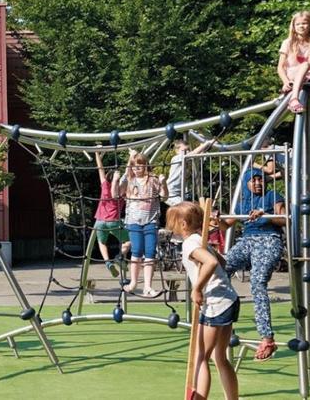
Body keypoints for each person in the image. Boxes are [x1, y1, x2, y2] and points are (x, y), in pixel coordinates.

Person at [166, 202, 239, 400]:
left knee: (202, 357)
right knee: (219, 357)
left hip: (216, 303)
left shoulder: (190, 242)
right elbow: (222, 262)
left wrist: (197, 288)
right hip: (228, 298)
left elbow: (212, 262)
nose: (169, 226)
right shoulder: (201, 239)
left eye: (172, 222)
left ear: (182, 224)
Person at [216, 168, 286, 361]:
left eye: (260, 179)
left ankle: (267, 338)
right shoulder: (242, 204)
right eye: (253, 180)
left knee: (257, 282)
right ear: (246, 183)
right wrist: (216, 219)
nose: (257, 183)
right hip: (247, 241)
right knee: (218, 270)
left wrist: (265, 215)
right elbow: (225, 225)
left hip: (269, 240)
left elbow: (284, 219)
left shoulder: (273, 196)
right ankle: (224, 324)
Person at [116, 151, 167, 296]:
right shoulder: (129, 180)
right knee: (136, 250)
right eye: (134, 166)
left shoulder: (153, 179)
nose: (137, 168)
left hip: (150, 220)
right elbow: (118, 193)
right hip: (133, 221)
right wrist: (129, 158)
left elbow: (164, 196)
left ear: (145, 165)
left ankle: (148, 286)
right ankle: (133, 282)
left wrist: (163, 183)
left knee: (150, 251)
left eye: (140, 165)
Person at [93, 151, 130, 277]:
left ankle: (107, 262)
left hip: (99, 221)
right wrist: (131, 157)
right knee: (128, 241)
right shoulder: (121, 192)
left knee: (102, 243)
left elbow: (100, 169)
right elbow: (127, 173)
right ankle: (120, 257)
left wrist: (97, 154)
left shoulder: (105, 186)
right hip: (114, 221)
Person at [166, 138, 216, 206]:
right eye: (184, 150)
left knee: (197, 207)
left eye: (188, 150)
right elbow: (193, 153)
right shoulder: (176, 158)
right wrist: (206, 143)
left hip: (181, 194)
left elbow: (199, 154)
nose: (187, 152)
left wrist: (208, 145)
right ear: (177, 151)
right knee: (187, 208)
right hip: (171, 194)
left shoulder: (187, 160)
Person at [278, 11, 310, 113]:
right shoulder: (288, 43)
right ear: (293, 26)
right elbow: (280, 67)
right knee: (305, 64)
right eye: (298, 24)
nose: (301, 26)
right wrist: (285, 81)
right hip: (293, 76)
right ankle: (294, 98)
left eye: (304, 23)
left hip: (308, 76)